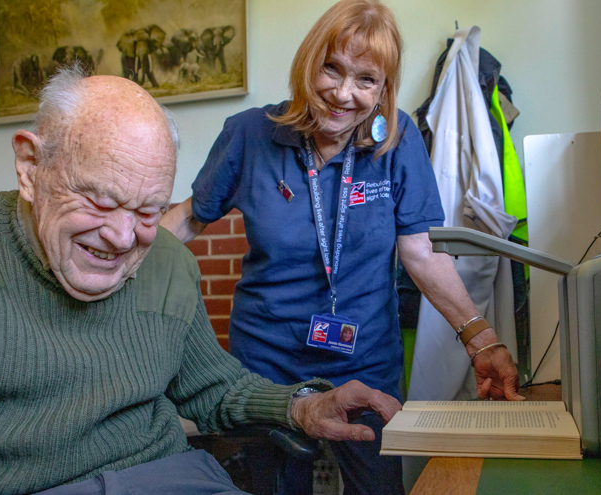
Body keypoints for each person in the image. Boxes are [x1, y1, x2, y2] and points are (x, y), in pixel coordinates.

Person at [0, 67, 402, 495]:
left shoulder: (167, 261)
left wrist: (303, 405)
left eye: (148, 211)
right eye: (100, 201)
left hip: (172, 476)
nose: (123, 238)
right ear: (29, 167)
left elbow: (214, 388)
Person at [161, 1, 523, 493]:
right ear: (308, 62)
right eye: (331, 68)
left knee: (377, 485)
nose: (343, 93)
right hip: (265, 362)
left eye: (366, 80)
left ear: (384, 89)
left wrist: (483, 341)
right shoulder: (249, 135)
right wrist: (116, 257)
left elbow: (420, 252)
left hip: (365, 356)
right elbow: (187, 219)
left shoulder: (398, 143)